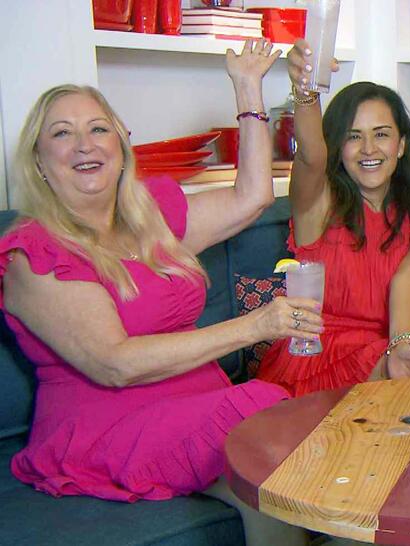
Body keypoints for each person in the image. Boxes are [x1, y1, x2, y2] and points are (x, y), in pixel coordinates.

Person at [0, 40, 322, 545]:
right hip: (104, 426)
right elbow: (115, 363)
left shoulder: (150, 218)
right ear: (40, 161)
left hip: (195, 410)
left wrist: (247, 88)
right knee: (262, 414)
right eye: (62, 134)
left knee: (271, 481)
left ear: (121, 146)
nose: (85, 145)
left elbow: (252, 196)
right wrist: (256, 325)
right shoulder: (33, 253)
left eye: (98, 129)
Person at [255, 39, 410, 397]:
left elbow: (407, 278)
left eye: (381, 135)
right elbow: (311, 158)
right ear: (337, 147)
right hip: (316, 358)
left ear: (401, 145)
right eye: (353, 137)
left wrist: (400, 346)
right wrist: (305, 91)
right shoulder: (319, 204)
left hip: (383, 352)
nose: (369, 150)